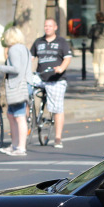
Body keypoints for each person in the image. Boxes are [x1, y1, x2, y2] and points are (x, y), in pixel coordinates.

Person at [30, 17, 72, 148]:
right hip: (40, 77)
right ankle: (27, 117)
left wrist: (61, 68)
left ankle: (58, 137)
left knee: (57, 107)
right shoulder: (38, 42)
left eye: (50, 26)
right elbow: (30, 58)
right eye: (45, 26)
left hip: (56, 79)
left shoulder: (61, 42)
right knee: (24, 89)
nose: (47, 28)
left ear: (55, 28)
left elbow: (67, 58)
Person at [0, 25, 31, 156]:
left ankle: (20, 147)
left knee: (19, 117)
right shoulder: (24, 48)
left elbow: (16, 69)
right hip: (24, 84)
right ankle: (14, 145)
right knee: (11, 115)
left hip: (17, 85)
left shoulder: (13, 49)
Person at [89, 11, 104, 88]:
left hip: (96, 47)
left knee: (95, 63)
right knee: (103, 65)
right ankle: (101, 82)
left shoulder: (93, 26)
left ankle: (96, 78)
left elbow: (89, 35)